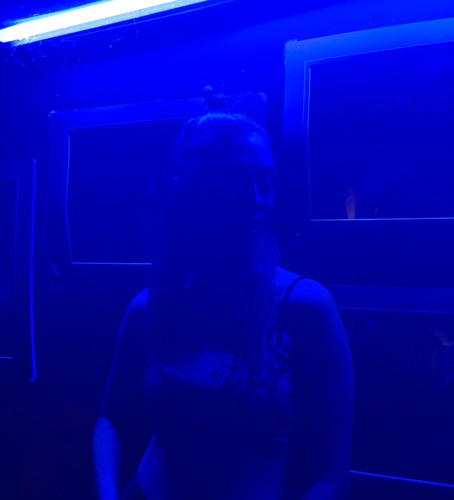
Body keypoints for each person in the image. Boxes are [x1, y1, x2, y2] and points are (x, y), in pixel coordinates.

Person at [92, 87, 353, 500]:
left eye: (264, 182)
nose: (253, 200)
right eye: (232, 182)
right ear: (189, 192)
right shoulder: (152, 307)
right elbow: (110, 419)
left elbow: (332, 473)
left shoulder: (304, 306)